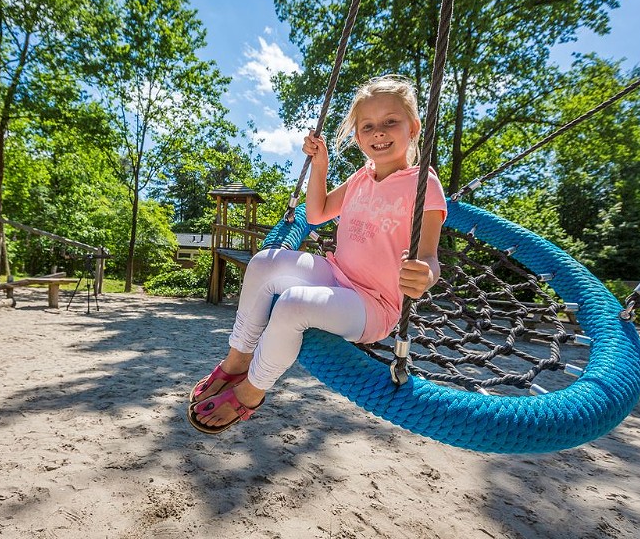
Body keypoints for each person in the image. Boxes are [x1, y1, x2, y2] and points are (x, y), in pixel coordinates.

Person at [188, 75, 447, 434]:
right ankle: (237, 360)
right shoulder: (360, 178)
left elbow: (430, 258)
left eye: (391, 122)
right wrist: (320, 163)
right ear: (358, 137)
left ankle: (251, 391)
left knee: (292, 304)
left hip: (374, 305)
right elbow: (317, 213)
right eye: (368, 126)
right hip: (338, 275)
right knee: (265, 262)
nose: (379, 133)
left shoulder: (424, 184)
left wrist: (425, 275)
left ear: (414, 128)